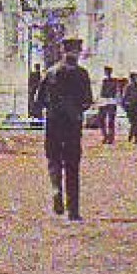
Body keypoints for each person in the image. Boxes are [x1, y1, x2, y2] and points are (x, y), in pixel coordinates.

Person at [33, 39, 93, 220]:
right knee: (72, 165)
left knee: (54, 160)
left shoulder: (51, 73)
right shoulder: (82, 74)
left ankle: (56, 189)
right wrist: (76, 110)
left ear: (62, 50)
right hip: (73, 125)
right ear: (77, 52)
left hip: (53, 123)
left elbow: (39, 100)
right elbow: (88, 101)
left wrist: (51, 109)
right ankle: (73, 210)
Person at [97, 66, 120, 145]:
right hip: (104, 100)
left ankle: (110, 137)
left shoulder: (114, 81)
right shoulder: (104, 80)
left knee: (110, 120)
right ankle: (105, 136)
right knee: (101, 119)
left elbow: (115, 91)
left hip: (111, 101)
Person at [121, 72, 137, 144]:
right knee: (133, 122)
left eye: (135, 78)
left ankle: (133, 136)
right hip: (130, 107)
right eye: (133, 78)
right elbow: (124, 98)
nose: (134, 79)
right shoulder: (128, 87)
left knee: (136, 123)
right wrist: (125, 107)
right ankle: (135, 137)